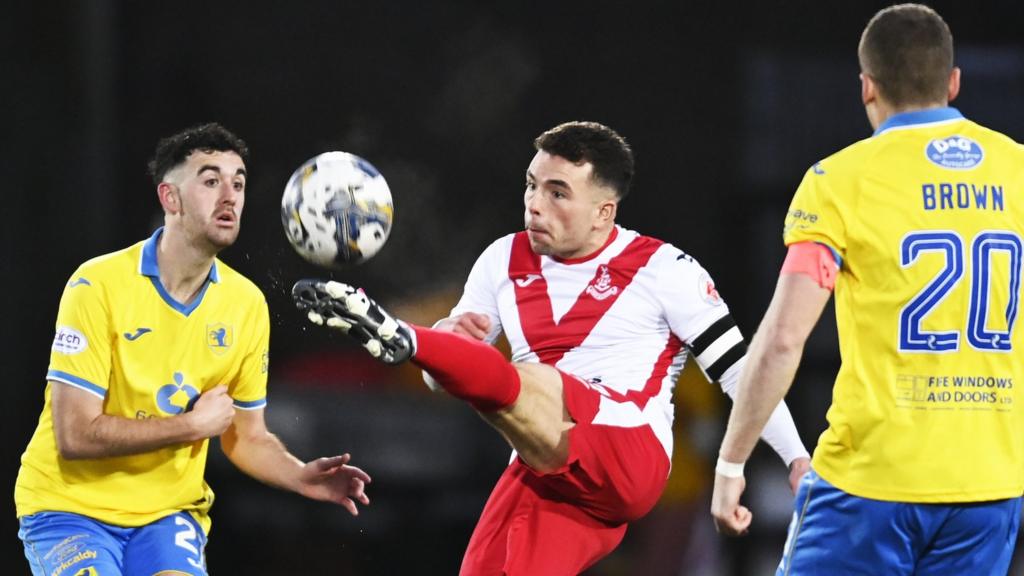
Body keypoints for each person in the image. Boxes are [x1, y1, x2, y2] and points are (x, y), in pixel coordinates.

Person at [293, 120, 810, 575]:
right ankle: (411, 340)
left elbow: (742, 371)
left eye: (558, 193)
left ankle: (404, 337)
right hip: (545, 461)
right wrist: (447, 344)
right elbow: (442, 379)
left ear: (604, 212)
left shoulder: (665, 269)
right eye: (531, 185)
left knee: (532, 379)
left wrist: (793, 456)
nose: (535, 204)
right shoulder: (501, 260)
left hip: (629, 455)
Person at [711, 4, 1024, 574]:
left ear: (866, 87)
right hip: (989, 482)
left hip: (872, 481)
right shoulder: (1018, 170)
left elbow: (784, 338)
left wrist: (731, 462)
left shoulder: (839, 181)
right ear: (953, 82)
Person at [15, 123, 371, 576]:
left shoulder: (245, 305)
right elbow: (75, 435)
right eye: (210, 180)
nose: (230, 196)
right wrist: (191, 425)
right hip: (69, 509)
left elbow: (246, 436)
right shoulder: (97, 285)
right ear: (170, 198)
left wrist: (300, 476)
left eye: (238, 183)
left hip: (167, 516)